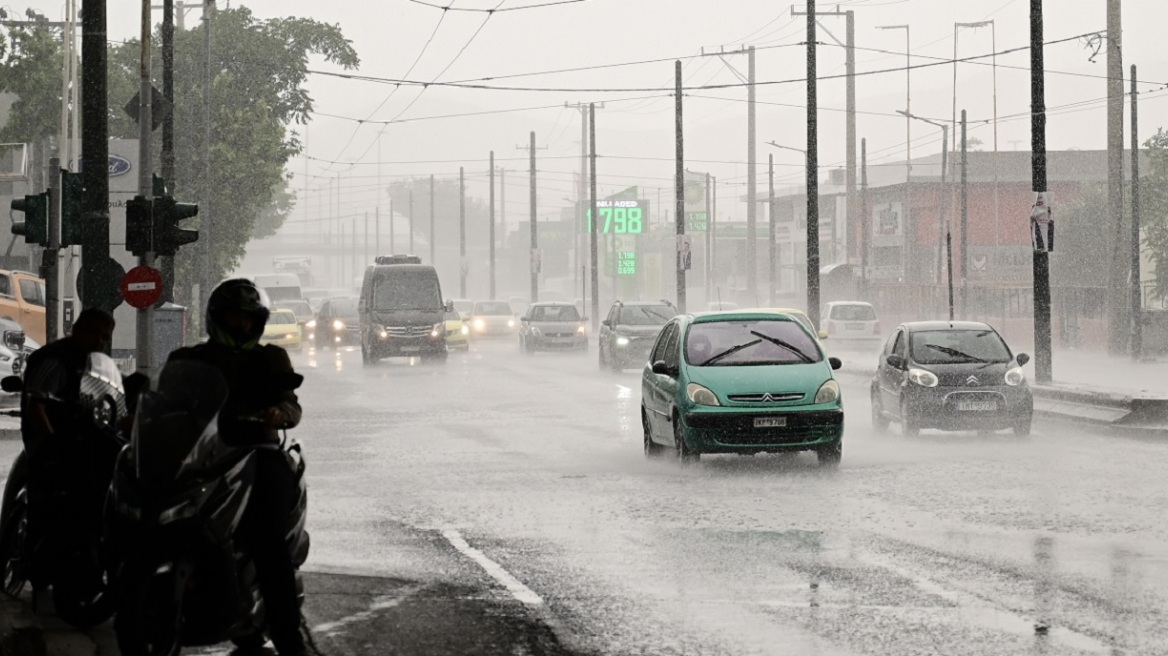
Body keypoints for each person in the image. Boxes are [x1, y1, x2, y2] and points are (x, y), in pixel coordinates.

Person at [167, 279, 306, 656]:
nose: (241, 326)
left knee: (269, 542)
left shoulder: (271, 359)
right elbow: (165, 402)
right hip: (201, 457)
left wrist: (280, 413)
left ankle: (291, 640)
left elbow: (290, 403)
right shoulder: (189, 359)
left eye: (249, 319)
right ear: (216, 318)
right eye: (234, 317)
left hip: (256, 453)